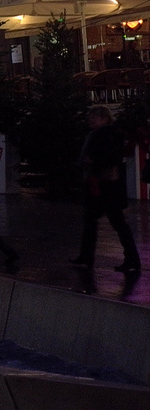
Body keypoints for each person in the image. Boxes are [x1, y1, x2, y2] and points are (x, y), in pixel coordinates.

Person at [73, 105, 141, 288]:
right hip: (105, 186)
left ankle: (89, 257)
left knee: (105, 222)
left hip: (105, 186)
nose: (90, 121)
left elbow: (111, 158)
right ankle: (129, 259)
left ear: (104, 119)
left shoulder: (105, 135)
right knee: (107, 222)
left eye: (94, 117)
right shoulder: (108, 134)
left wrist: (92, 162)